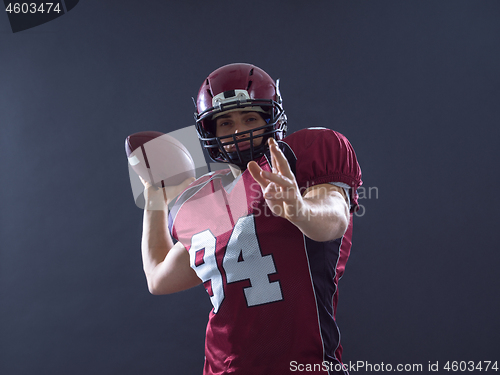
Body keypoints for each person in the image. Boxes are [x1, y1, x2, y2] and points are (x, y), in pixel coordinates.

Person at [140, 63, 362, 375]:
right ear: (210, 131)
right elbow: (158, 278)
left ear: (272, 118)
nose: (238, 131)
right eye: (225, 122)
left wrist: (299, 209)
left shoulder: (300, 157)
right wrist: (153, 197)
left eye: (249, 118)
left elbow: (334, 218)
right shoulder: (203, 198)